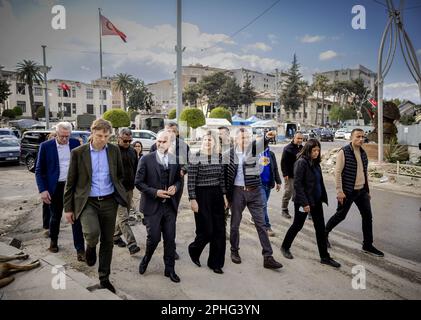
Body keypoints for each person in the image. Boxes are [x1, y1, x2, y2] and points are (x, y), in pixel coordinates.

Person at [64, 119, 128, 294]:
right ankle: (90, 246)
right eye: (99, 135)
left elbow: (120, 176)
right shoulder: (78, 152)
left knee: (108, 241)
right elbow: (71, 182)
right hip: (87, 202)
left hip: (109, 201)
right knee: (92, 233)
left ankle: (104, 278)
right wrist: (68, 208)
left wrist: (119, 195)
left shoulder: (114, 151)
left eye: (106, 136)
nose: (103, 139)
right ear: (92, 133)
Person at [225, 128, 283, 270]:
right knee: (235, 224)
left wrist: (267, 136)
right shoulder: (229, 155)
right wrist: (225, 196)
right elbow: (223, 176)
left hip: (255, 191)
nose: (245, 140)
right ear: (236, 139)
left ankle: (268, 257)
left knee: (261, 225)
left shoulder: (254, 150)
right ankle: (234, 251)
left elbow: (263, 143)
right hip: (238, 192)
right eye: (242, 138)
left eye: (247, 137)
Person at [280, 139, 341, 268]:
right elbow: (297, 184)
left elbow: (318, 182)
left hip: (316, 201)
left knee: (320, 229)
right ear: (308, 150)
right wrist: (304, 203)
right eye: (314, 150)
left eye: (318, 150)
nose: (317, 153)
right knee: (297, 225)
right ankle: (285, 247)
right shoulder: (301, 162)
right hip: (304, 202)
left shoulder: (316, 163)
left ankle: (324, 257)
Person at [325, 129, 384, 257]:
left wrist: (367, 191)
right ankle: (324, 234)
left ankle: (367, 245)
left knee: (367, 217)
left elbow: (364, 172)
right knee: (340, 215)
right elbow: (337, 172)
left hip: (362, 191)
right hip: (347, 191)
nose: (361, 139)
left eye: (363, 137)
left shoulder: (363, 152)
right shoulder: (344, 152)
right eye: (358, 136)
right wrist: (339, 191)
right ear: (351, 138)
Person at [135, 130, 182, 283]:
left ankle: (170, 269)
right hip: (152, 207)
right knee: (154, 239)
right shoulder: (146, 159)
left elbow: (178, 180)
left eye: (164, 141)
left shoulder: (175, 159)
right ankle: (146, 259)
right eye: (159, 141)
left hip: (169, 207)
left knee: (170, 239)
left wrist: (175, 187)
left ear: (170, 143)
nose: (161, 144)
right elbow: (138, 182)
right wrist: (155, 192)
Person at [35, 122, 85, 261]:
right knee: (55, 217)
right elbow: (39, 171)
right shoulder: (45, 147)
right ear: (56, 134)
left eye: (67, 136)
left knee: (75, 218)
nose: (65, 139)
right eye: (62, 136)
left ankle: (80, 250)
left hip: (72, 187)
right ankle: (54, 242)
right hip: (55, 187)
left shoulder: (75, 143)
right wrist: (43, 190)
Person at [188, 131, 228, 274]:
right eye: (205, 140)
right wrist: (193, 199)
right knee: (207, 230)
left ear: (215, 142)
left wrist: (224, 195)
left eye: (210, 140)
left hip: (216, 194)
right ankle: (194, 249)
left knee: (220, 231)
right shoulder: (195, 156)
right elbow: (191, 181)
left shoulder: (220, 157)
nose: (207, 142)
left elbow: (222, 178)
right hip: (201, 195)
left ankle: (215, 263)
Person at [150, 122, 189, 260]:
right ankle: (155, 238)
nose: (170, 132)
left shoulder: (183, 146)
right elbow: (150, 162)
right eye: (168, 130)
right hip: (158, 185)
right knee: (157, 212)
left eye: (173, 130)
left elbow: (187, 163)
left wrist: (183, 170)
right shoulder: (157, 144)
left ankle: (171, 246)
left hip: (176, 185)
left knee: (171, 214)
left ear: (177, 133)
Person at [113, 128, 141, 255]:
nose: (128, 143)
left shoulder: (132, 151)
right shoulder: (112, 151)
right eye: (125, 140)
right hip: (117, 190)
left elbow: (135, 169)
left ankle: (115, 236)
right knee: (124, 217)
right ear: (119, 138)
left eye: (130, 140)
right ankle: (132, 244)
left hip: (129, 188)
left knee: (122, 216)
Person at [258, 142, 282, 237]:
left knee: (263, 205)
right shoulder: (255, 153)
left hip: (269, 183)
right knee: (263, 204)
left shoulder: (271, 154)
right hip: (259, 184)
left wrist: (278, 181)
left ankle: (255, 216)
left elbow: (275, 168)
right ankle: (267, 227)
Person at [280, 132, 304, 219]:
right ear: (294, 138)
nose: (300, 140)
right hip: (289, 175)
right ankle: (284, 209)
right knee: (288, 192)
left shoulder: (302, 148)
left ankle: (300, 210)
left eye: (301, 139)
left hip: (300, 175)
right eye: (298, 138)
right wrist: (285, 173)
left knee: (299, 193)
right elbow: (283, 162)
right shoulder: (287, 149)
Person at [41, 131, 57, 238]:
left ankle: (54, 226)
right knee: (47, 206)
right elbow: (39, 168)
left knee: (56, 208)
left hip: (57, 183)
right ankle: (47, 227)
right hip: (47, 182)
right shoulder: (45, 149)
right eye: (53, 137)